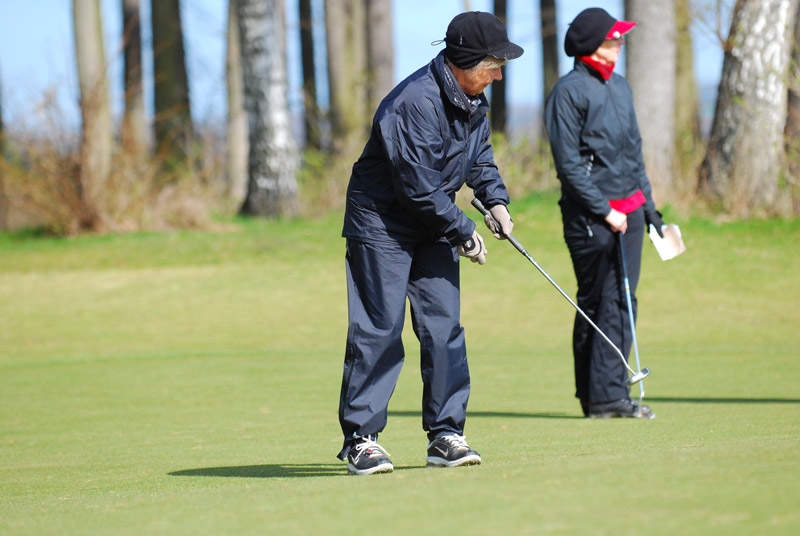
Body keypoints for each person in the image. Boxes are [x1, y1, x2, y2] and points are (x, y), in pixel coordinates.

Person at [337, 11, 523, 475]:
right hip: (381, 224)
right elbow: (416, 187)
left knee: (443, 327)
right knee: (379, 327)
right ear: (464, 61)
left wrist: (495, 201)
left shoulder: (473, 98)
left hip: (431, 223)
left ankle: (445, 434)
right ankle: (362, 438)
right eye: (493, 64)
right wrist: (464, 231)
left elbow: (479, 159)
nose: (499, 73)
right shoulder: (414, 102)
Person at [544, 8, 662, 419]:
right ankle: (605, 397)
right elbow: (569, 166)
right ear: (592, 46)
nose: (620, 45)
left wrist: (649, 207)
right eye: (613, 39)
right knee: (602, 301)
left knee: (620, 300)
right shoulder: (568, 92)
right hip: (590, 217)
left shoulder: (621, 87)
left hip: (629, 213)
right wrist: (604, 210)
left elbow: (633, 153)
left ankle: (601, 395)